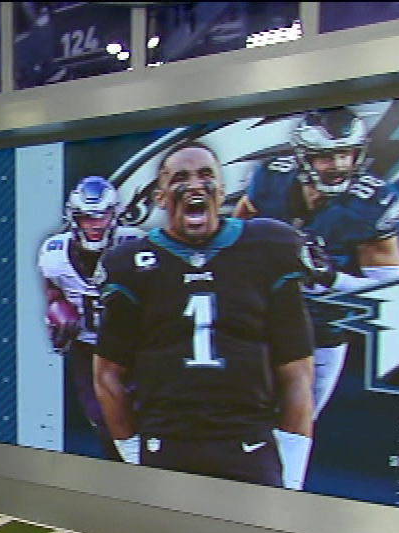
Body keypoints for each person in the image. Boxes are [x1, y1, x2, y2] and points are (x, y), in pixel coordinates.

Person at [91, 141, 316, 489]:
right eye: (180, 178)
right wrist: (134, 451)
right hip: (166, 441)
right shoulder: (130, 264)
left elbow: (297, 371)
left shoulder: (269, 247)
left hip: (248, 442)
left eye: (206, 175)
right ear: (160, 198)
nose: (195, 185)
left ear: (222, 191)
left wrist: (292, 466)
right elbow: (107, 374)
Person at [234, 107, 399, 426]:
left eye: (346, 154)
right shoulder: (272, 179)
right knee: (239, 412)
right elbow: (235, 238)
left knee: (296, 422)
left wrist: (330, 278)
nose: (339, 165)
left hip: (321, 328)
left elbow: (389, 296)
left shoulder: (372, 204)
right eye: (327, 156)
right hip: (259, 318)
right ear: (305, 157)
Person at [39, 175, 142, 459]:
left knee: (145, 414)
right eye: (87, 218)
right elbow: (53, 293)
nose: (95, 225)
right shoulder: (55, 256)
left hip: (133, 347)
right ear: (74, 219)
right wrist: (58, 312)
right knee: (104, 420)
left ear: (114, 215)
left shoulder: (135, 244)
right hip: (90, 349)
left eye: (102, 216)